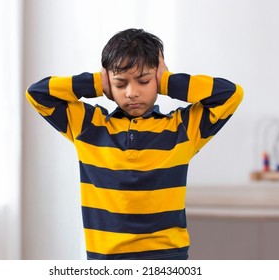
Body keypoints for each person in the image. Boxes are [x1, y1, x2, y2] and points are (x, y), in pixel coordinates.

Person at [26, 28, 244, 260]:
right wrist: (96, 83)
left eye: (144, 81)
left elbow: (231, 95)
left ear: (157, 78)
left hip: (168, 261)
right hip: (106, 263)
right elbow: (37, 93)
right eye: (120, 84)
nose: (132, 92)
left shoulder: (182, 128)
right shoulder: (87, 126)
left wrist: (169, 82)